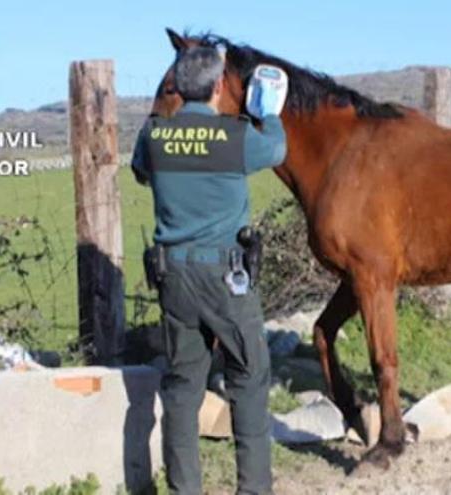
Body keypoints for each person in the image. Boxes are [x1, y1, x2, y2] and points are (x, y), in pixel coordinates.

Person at [131, 45, 287, 495]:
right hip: (226, 278)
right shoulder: (234, 138)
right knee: (249, 379)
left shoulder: (152, 137)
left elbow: (141, 170)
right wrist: (267, 112)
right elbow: (276, 149)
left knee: (182, 389)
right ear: (219, 87)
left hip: (174, 278)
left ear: (177, 87)